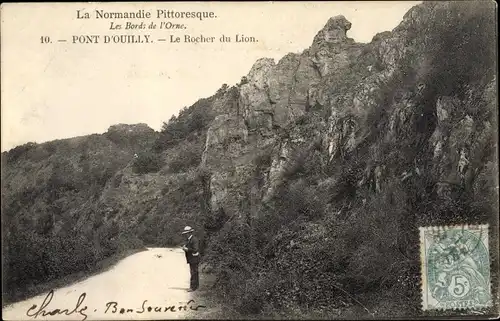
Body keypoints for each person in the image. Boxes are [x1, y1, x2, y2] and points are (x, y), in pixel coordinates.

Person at [181, 226, 200, 292]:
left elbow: (195, 249)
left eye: (186, 233)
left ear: (189, 233)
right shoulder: (189, 240)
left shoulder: (194, 239)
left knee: (193, 272)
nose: (185, 235)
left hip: (194, 258)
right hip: (192, 258)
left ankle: (193, 287)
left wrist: (187, 249)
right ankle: (196, 286)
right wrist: (185, 249)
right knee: (195, 272)